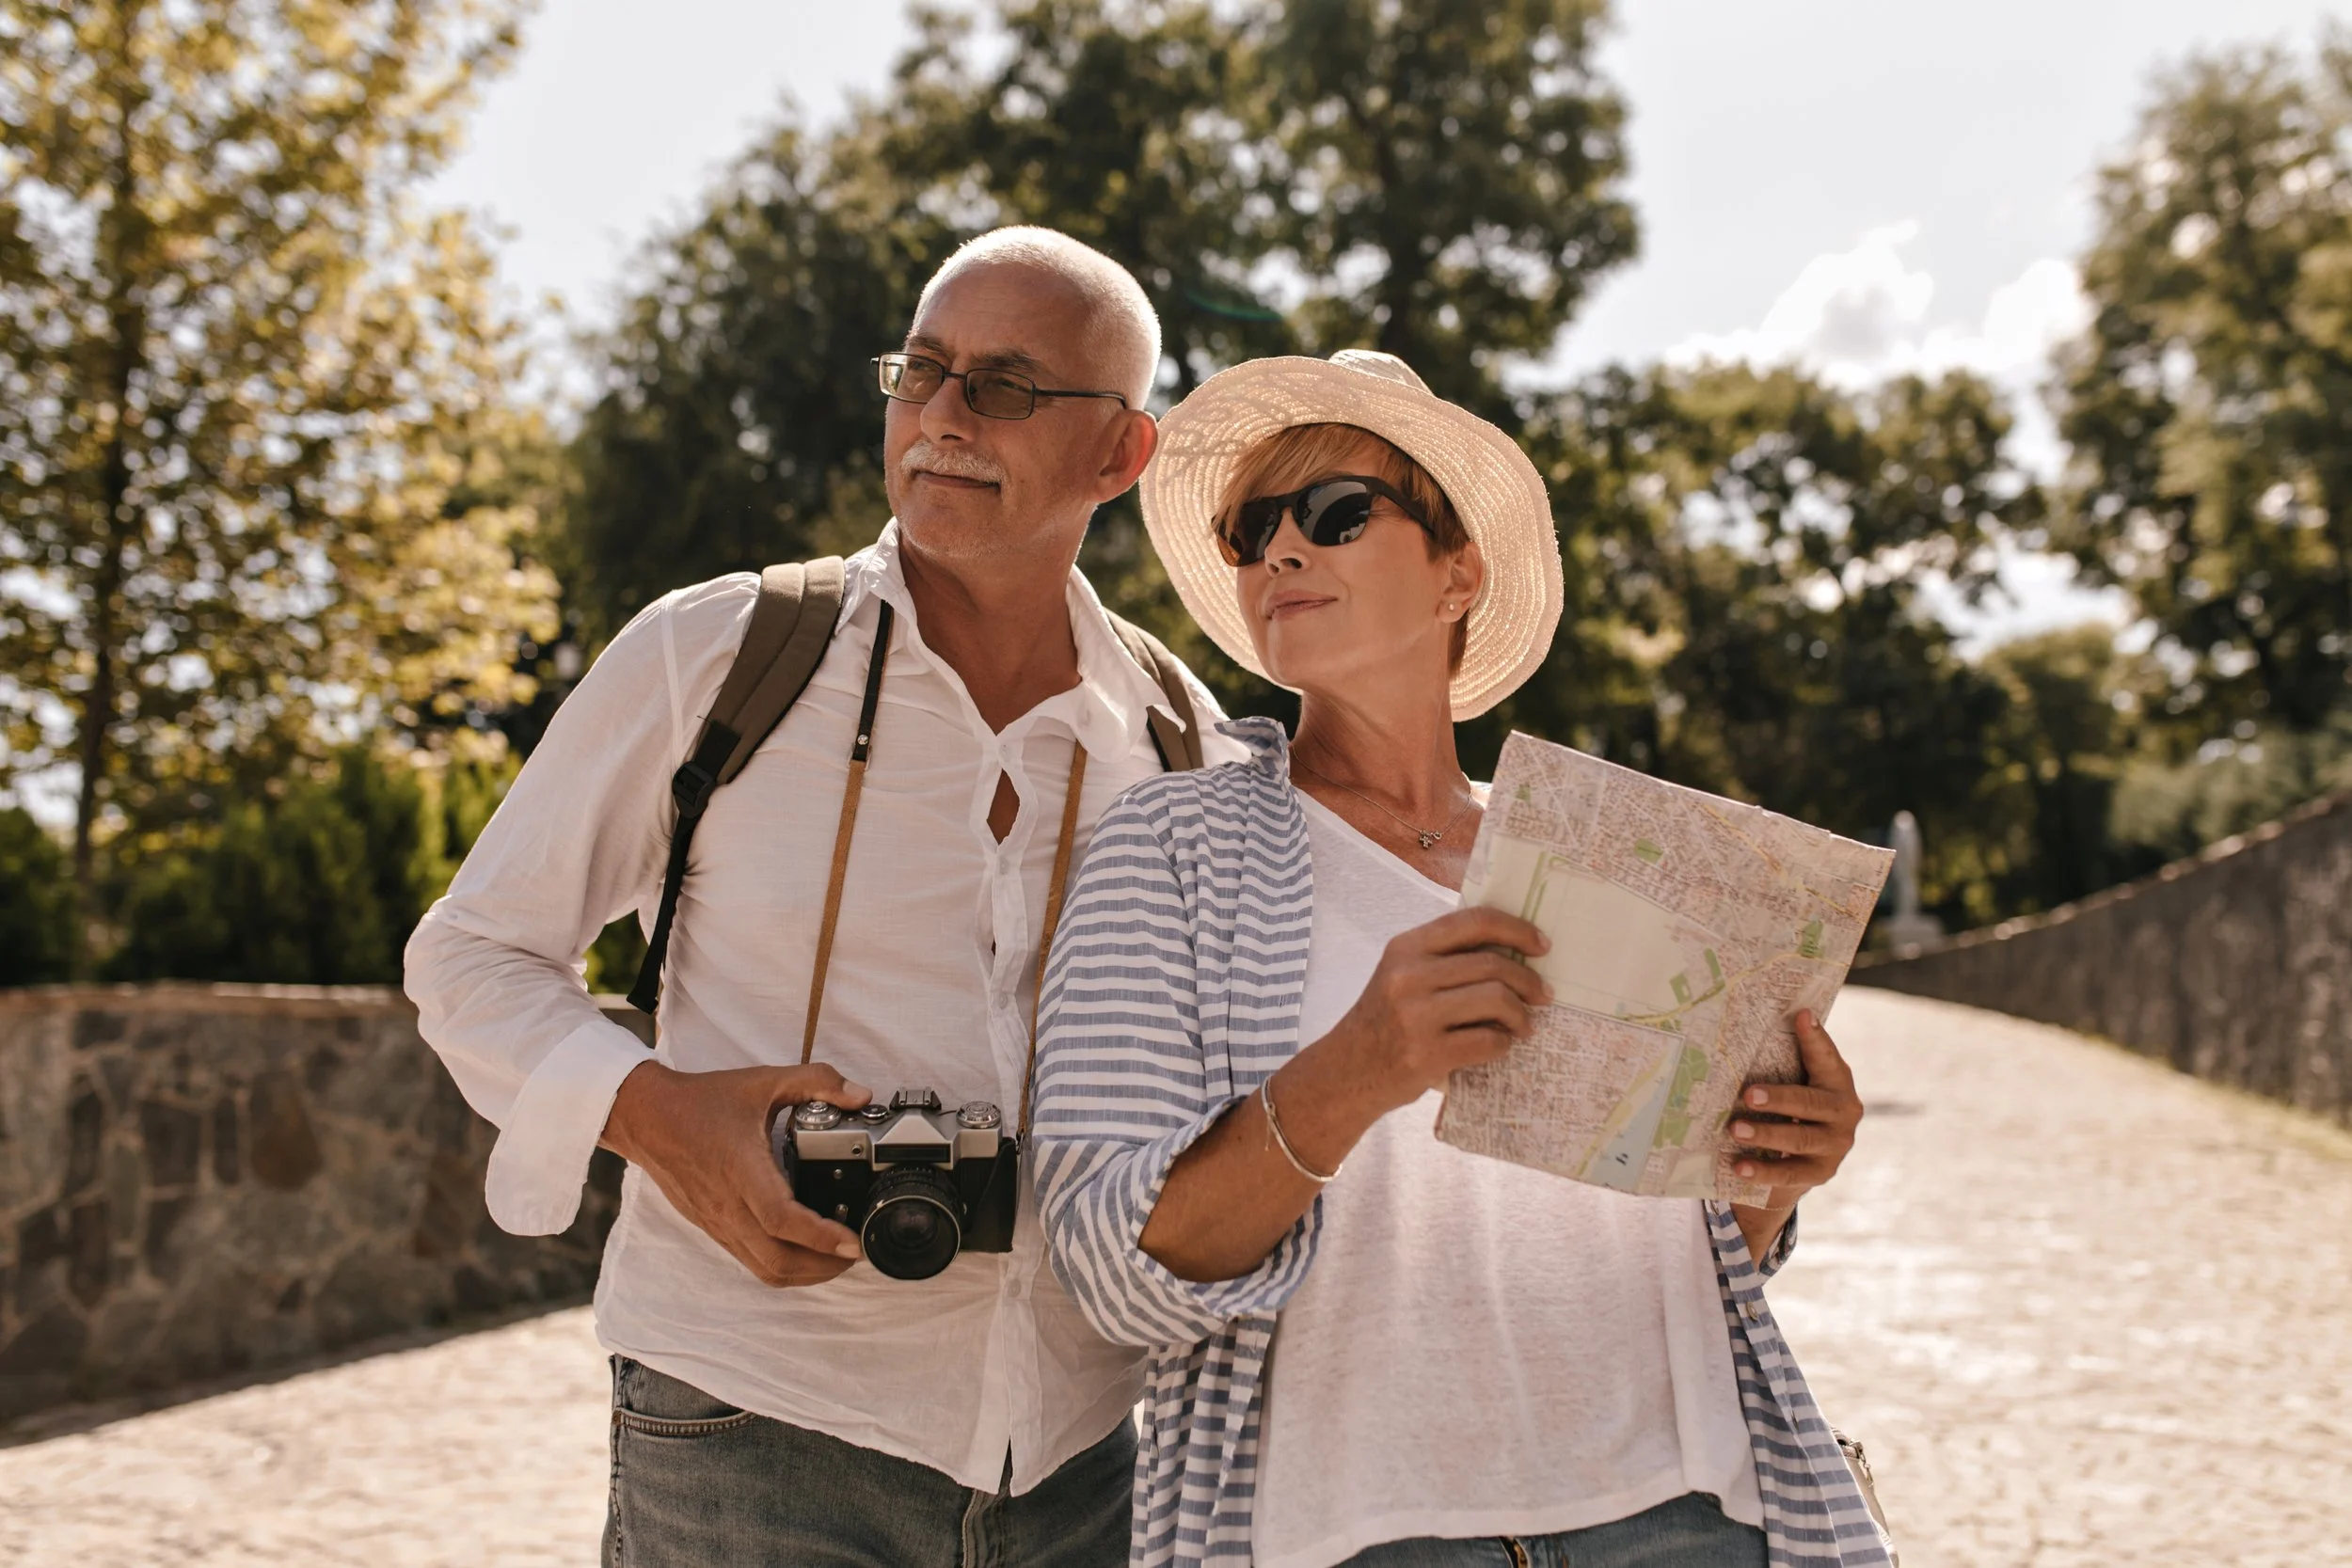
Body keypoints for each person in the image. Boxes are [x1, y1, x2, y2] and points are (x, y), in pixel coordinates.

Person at [404, 227, 1246, 1567]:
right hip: (747, 1432)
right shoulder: (717, 651)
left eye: (1008, 386)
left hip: (1091, 1463)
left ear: (1122, 454)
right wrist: (658, 1118)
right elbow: (472, 956)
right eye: (921, 371)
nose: (945, 416)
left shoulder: (1179, 735)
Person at [1031, 351, 1895, 1568]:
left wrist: (1777, 1170)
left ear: (1459, 570)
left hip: (1690, 1510)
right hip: (1359, 1530)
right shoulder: (1170, 845)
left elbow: (1685, 1248)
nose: (1280, 550)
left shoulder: (1614, 855)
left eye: (1333, 512)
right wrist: (1351, 1073)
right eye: (1250, 528)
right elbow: (1108, 1272)